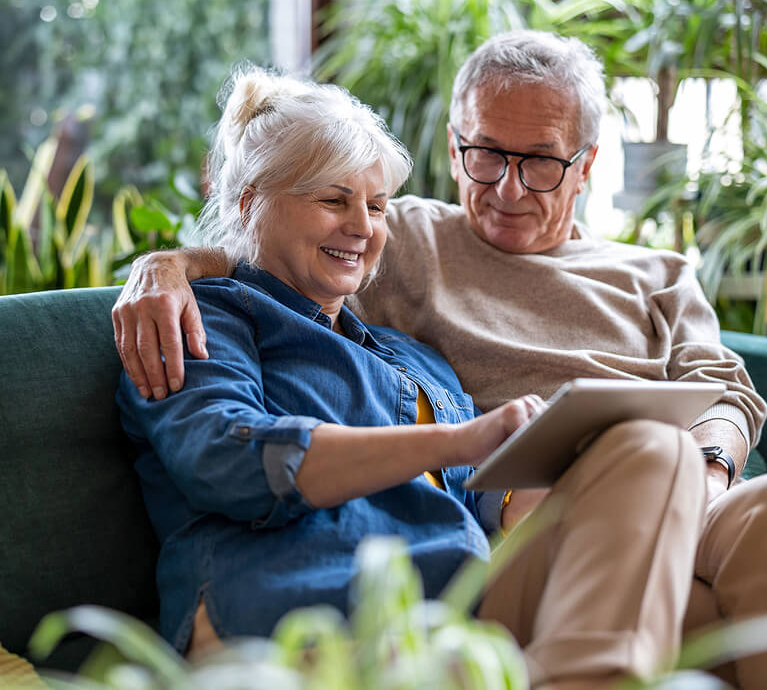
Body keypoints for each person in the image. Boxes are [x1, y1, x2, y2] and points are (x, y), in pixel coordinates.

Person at [113, 33, 767, 689]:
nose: (508, 188)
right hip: (537, 526)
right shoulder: (408, 239)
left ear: (587, 164)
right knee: (647, 452)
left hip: (667, 497)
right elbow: (268, 249)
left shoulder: (649, 276)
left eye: (541, 163)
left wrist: (708, 475)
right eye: (486, 155)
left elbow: (722, 390)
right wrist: (166, 265)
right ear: (455, 149)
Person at [117, 67, 551, 665]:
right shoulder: (206, 319)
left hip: (454, 621)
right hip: (298, 619)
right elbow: (225, 457)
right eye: (332, 200)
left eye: (375, 206)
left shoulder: (415, 359)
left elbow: (477, 493)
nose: (361, 227)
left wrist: (522, 484)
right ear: (249, 204)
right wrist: (453, 441)